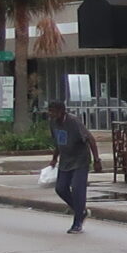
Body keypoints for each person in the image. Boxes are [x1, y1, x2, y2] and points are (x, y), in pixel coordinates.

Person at [45, 99, 98, 234]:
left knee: (77, 188)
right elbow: (58, 142)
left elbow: (90, 139)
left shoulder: (74, 122)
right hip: (65, 160)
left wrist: (97, 159)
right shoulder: (53, 123)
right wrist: (54, 159)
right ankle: (81, 210)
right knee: (60, 188)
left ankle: (78, 222)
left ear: (61, 112)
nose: (50, 114)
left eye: (53, 111)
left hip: (80, 160)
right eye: (49, 111)